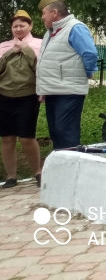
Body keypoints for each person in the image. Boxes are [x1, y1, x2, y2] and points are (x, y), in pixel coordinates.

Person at [36, 0, 98, 150]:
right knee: (56, 132)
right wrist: (43, 88)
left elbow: (90, 53)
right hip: (53, 90)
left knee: (66, 132)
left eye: (44, 13)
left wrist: (88, 71)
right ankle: (61, 163)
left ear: (54, 12)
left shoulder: (75, 28)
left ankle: (73, 163)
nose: (42, 17)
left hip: (69, 91)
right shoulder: (50, 32)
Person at [0, 10, 43, 187]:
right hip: (4, 96)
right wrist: (11, 52)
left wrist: (26, 50)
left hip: (28, 96)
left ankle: (38, 173)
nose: (18, 29)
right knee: (7, 138)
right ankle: (11, 177)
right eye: (15, 26)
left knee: (26, 137)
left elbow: (41, 69)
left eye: (22, 25)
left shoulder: (40, 45)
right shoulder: (3, 46)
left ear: (30, 26)